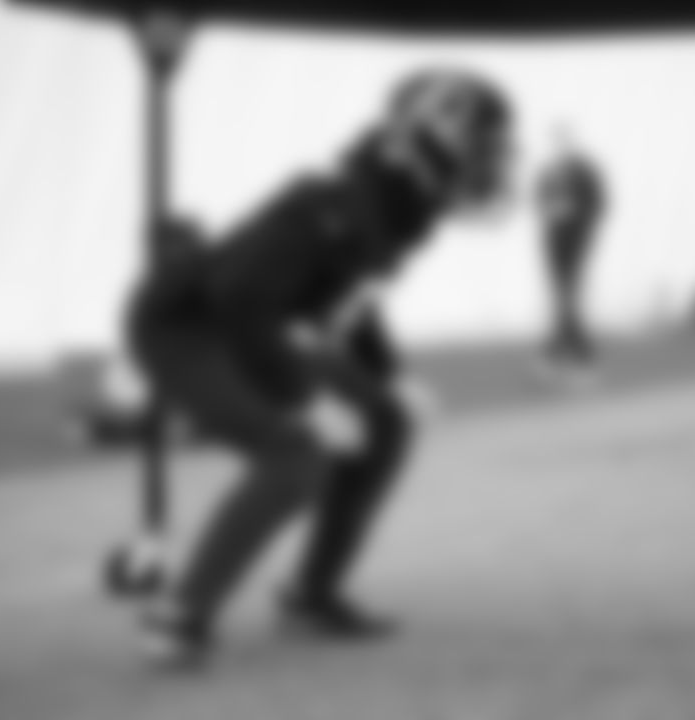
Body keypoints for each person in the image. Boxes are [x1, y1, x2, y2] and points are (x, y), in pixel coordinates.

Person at [123, 68, 517, 667]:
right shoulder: (330, 203)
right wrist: (304, 399)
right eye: (480, 143)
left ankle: (313, 594)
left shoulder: (393, 211)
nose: (491, 161)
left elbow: (351, 303)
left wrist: (391, 374)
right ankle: (179, 614)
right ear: (422, 139)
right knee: (296, 453)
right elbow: (239, 300)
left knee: (385, 421)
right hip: (187, 328)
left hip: (244, 323)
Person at [536, 127, 607, 382]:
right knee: (560, 295)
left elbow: (597, 202)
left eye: (563, 140)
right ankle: (562, 355)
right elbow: (540, 200)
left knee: (569, 294)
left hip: (576, 235)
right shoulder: (548, 172)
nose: (559, 145)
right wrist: (551, 213)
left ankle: (573, 355)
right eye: (556, 141)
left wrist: (578, 216)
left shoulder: (583, 171)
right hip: (554, 236)